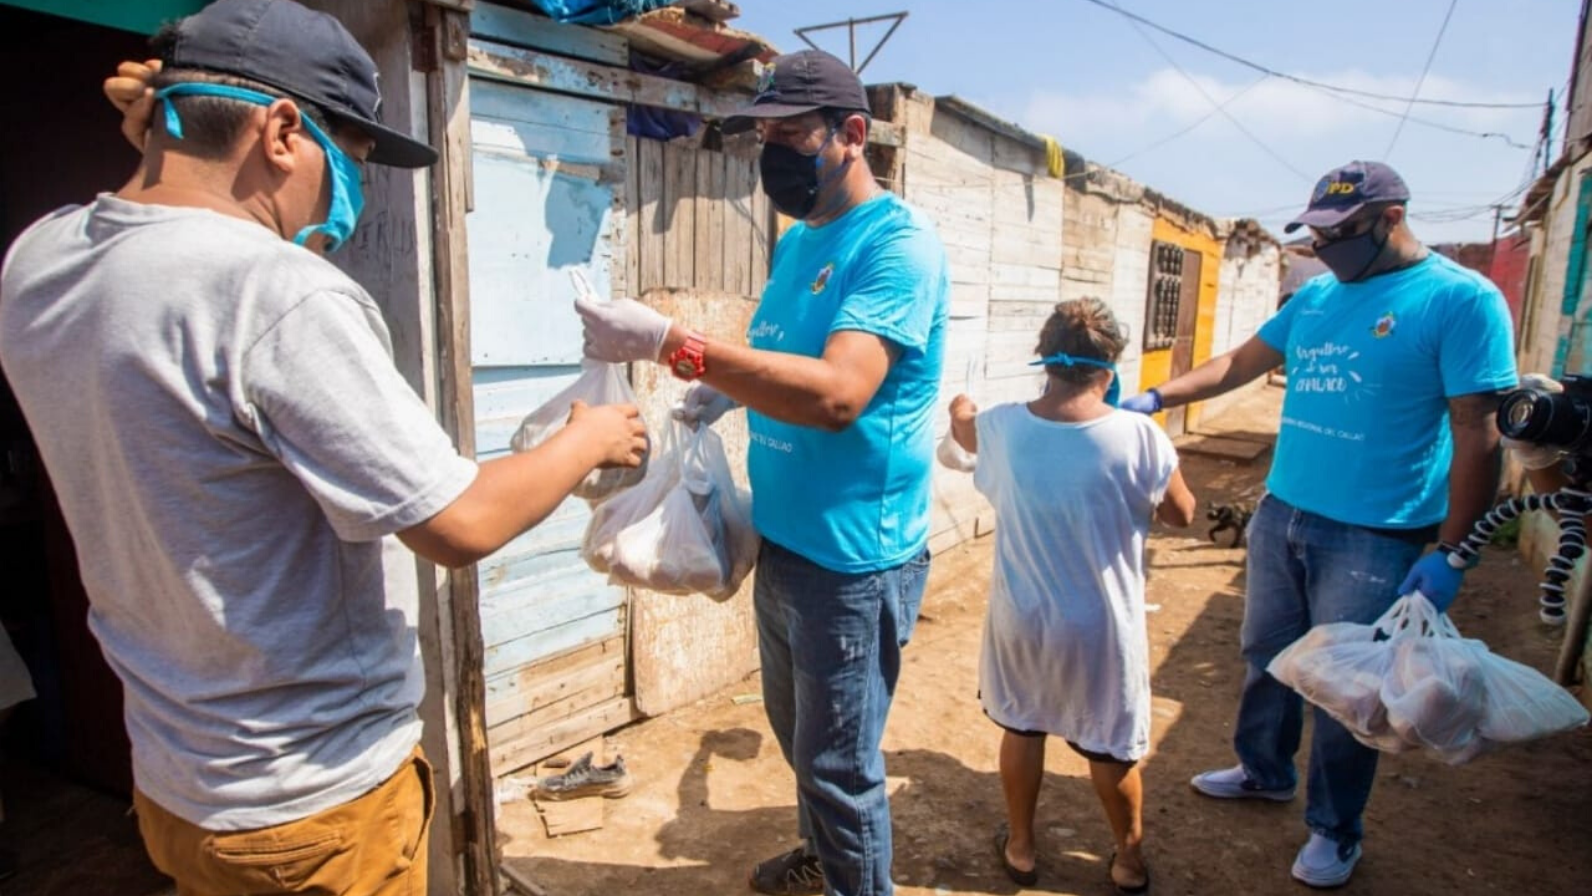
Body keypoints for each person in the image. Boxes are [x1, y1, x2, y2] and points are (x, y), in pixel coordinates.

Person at [0, 1, 645, 893]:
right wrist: (590, 438)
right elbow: (458, 523)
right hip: (312, 804)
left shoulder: (41, 258)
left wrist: (161, 141)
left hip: (179, 784)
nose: (352, 189)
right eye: (350, 158)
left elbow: (151, 215)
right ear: (281, 132)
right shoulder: (274, 290)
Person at [576, 48, 950, 896]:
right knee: (800, 742)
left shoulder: (898, 247)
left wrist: (675, 346)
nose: (770, 152)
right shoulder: (800, 243)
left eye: (790, 135)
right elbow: (782, 356)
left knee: (840, 768)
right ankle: (822, 857)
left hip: (852, 562)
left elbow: (840, 394)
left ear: (852, 134)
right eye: (763, 137)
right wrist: (724, 391)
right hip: (782, 540)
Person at [1118, 160, 1516, 887]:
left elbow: (1477, 433)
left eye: (1340, 232)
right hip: (1284, 512)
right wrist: (1155, 398)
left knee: (1348, 687)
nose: (1325, 246)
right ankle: (1263, 769)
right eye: (1317, 233)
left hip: (1377, 532)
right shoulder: (1318, 297)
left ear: (1391, 219)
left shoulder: (1461, 300)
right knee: (1267, 654)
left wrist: (1454, 552)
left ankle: (1334, 828)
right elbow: (1241, 362)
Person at [947, 298, 1195, 893]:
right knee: (1110, 748)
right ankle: (1128, 861)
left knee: (1022, 727)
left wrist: (960, 403)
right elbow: (1182, 514)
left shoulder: (1002, 428)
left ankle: (1022, 849)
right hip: (1101, 628)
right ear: (1110, 367)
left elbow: (962, 425)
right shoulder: (1140, 436)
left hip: (1022, 619)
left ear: (1044, 359)